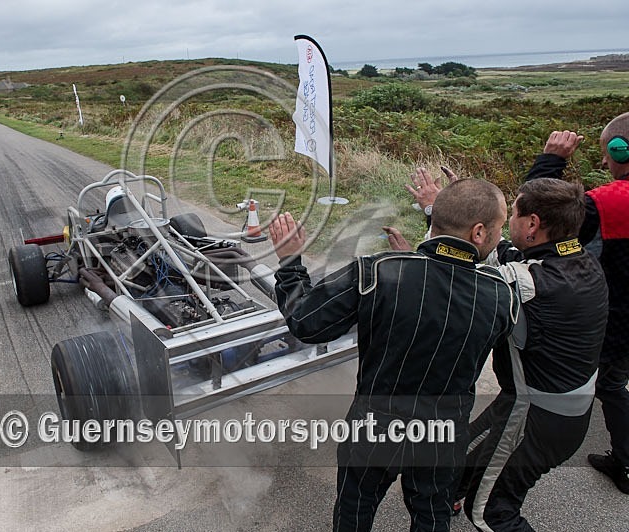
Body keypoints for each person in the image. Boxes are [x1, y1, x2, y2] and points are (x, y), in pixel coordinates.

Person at [270, 179, 517, 532]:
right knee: (432, 517)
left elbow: (306, 323)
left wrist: (289, 261)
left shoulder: (377, 271)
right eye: (499, 227)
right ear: (479, 233)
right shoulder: (501, 296)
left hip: (375, 426)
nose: (499, 234)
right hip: (444, 431)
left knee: (355, 509)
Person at [401, 171, 609, 530]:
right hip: (559, 407)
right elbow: (505, 254)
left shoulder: (524, 284)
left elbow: (455, 279)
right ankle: (450, 494)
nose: (505, 223)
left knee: (491, 513)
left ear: (532, 224)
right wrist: (447, 207)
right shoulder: (583, 262)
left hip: (535, 416)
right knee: (467, 454)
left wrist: (430, 241)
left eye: (511, 215)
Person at [523, 123, 629, 495]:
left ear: (620, 151)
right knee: (615, 384)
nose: (603, 160)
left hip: (608, 320)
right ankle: (625, 462)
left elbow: (536, 213)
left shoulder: (610, 201)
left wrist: (552, 159)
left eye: (606, 152)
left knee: (566, 390)